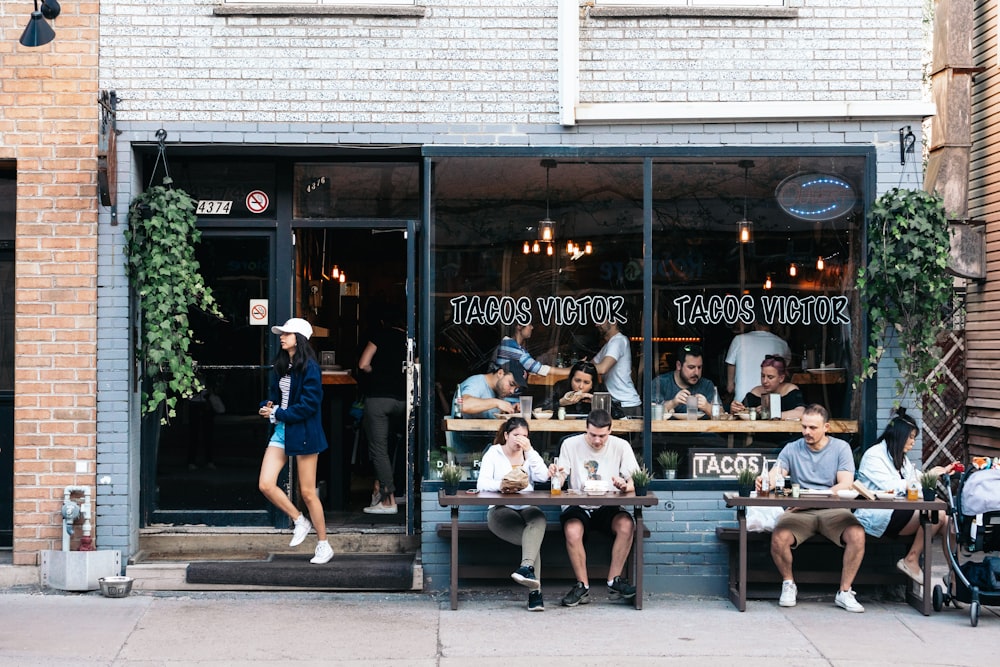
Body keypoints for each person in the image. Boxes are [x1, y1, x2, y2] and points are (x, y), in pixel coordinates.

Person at [762, 404, 866, 612]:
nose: (806, 432)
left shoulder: (840, 448)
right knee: (779, 536)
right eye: (804, 427)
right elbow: (777, 473)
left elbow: (845, 484)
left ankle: (845, 592)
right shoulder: (792, 448)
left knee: (857, 534)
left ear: (826, 427)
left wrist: (809, 501)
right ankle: (788, 584)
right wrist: (766, 480)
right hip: (801, 511)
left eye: (812, 428)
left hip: (832, 510)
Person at [257, 318, 333, 564]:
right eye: (281, 333)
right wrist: (266, 406)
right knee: (266, 484)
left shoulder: (310, 367)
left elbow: (309, 405)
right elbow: (273, 395)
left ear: (298, 338)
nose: (281, 336)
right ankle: (300, 520)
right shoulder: (281, 365)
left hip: (303, 433)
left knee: (308, 492)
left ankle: (324, 544)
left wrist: (278, 413)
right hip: (282, 431)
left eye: (287, 333)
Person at [550, 409, 640, 607]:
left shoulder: (621, 446)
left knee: (627, 525)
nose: (597, 441)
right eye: (592, 435)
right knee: (572, 530)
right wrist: (556, 474)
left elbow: (636, 478)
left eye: (602, 436)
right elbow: (562, 476)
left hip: (608, 504)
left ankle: (614, 581)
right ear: (586, 429)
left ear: (610, 430)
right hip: (578, 504)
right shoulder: (570, 444)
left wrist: (626, 486)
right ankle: (582, 586)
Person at [854, 409, 956, 583]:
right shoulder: (874, 456)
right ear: (899, 435)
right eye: (911, 437)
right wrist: (927, 476)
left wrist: (936, 474)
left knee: (949, 521)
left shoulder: (901, 458)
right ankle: (911, 559)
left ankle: (954, 577)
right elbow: (892, 487)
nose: (913, 442)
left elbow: (914, 479)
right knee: (937, 515)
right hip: (878, 512)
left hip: (900, 510)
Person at [476, 417, 551, 611]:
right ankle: (535, 594)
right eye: (516, 435)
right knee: (532, 544)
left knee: (539, 519)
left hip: (526, 506)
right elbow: (481, 484)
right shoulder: (494, 453)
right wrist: (501, 485)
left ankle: (526, 569)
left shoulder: (528, 455)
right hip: (501, 508)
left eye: (525, 436)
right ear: (506, 435)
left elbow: (543, 476)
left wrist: (531, 450)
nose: (520, 439)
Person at [358, 308, 407, 515]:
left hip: (379, 399)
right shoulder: (409, 339)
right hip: (404, 400)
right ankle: (400, 491)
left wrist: (376, 373)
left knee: (379, 449)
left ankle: (388, 501)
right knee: (401, 446)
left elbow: (363, 364)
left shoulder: (379, 335)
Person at [725, 322, 791, 405]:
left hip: (742, 401)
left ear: (754, 323)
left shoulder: (739, 340)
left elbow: (731, 364)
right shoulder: (782, 343)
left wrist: (730, 385)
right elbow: (785, 366)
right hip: (771, 402)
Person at [651, 343, 719, 416]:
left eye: (699, 367)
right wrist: (673, 403)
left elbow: (723, 415)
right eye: (691, 367)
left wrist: (707, 407)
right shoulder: (661, 382)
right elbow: (651, 413)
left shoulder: (707, 385)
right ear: (679, 365)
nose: (696, 372)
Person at [730, 355, 804, 421]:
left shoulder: (791, 391)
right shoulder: (755, 392)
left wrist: (771, 415)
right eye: (763, 376)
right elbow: (743, 412)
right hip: (761, 435)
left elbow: (801, 413)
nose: (765, 381)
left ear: (781, 378)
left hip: (788, 436)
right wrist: (735, 410)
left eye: (770, 377)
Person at [592, 320, 641, 417]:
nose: (596, 324)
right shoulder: (609, 345)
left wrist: (554, 370)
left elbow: (602, 369)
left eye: (601, 320)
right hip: (617, 403)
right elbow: (588, 367)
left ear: (613, 321)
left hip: (626, 405)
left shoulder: (618, 340)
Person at [494, 323, 570, 380]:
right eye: (529, 324)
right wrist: (569, 370)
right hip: (508, 398)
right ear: (519, 326)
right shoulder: (511, 346)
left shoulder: (512, 345)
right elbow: (539, 369)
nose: (532, 327)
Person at [457, 360, 528, 418]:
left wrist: (509, 411)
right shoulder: (477, 382)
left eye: (516, 389)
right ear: (500, 373)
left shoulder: (499, 391)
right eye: (511, 384)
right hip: (467, 435)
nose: (512, 391)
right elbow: (462, 405)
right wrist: (496, 403)